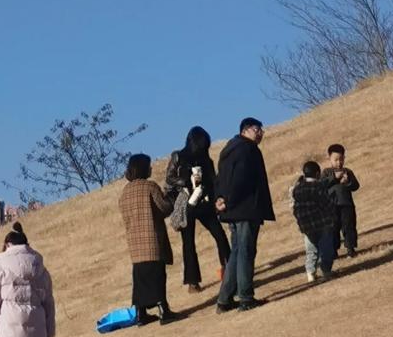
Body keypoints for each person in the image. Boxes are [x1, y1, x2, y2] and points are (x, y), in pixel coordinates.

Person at [214, 116, 275, 313]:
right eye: (258, 129)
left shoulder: (228, 149)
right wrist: (230, 199)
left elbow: (221, 178)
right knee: (246, 253)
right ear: (246, 130)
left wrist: (221, 199)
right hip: (245, 208)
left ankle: (224, 300)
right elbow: (240, 178)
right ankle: (246, 298)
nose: (261, 133)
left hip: (231, 210)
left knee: (236, 254)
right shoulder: (247, 149)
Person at [163, 126, 229, 292]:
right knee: (188, 242)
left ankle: (228, 268)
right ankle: (192, 281)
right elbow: (169, 178)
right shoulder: (178, 156)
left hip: (204, 201)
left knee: (219, 234)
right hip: (186, 201)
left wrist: (215, 199)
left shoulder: (206, 160)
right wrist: (184, 181)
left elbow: (213, 181)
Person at [118, 155, 175, 324]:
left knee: (140, 279)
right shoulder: (150, 186)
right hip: (152, 239)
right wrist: (171, 199)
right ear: (144, 168)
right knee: (157, 276)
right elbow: (164, 208)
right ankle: (164, 311)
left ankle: (140, 313)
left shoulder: (125, 192)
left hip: (134, 243)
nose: (151, 169)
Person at [292, 159, 339, 284]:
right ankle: (326, 271)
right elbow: (326, 204)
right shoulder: (318, 187)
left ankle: (310, 273)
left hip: (306, 225)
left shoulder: (297, 189)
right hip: (321, 222)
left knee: (311, 249)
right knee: (326, 248)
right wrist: (333, 215)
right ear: (318, 174)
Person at [325, 144, 361, 256]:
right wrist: (335, 178)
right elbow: (322, 185)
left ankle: (350, 248)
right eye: (336, 159)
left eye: (341, 159)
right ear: (329, 158)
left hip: (347, 205)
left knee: (349, 226)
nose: (339, 162)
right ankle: (333, 250)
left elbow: (356, 186)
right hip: (331, 206)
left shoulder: (348, 171)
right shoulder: (326, 173)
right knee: (333, 229)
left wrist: (348, 182)